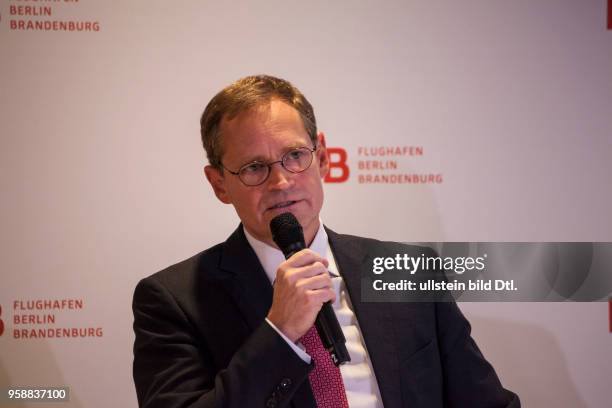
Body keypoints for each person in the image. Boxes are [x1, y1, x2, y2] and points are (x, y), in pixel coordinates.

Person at [132, 75, 520, 407]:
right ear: (219, 184)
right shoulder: (173, 301)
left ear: (322, 159)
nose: (281, 182)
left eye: (294, 156)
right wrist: (279, 333)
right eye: (254, 167)